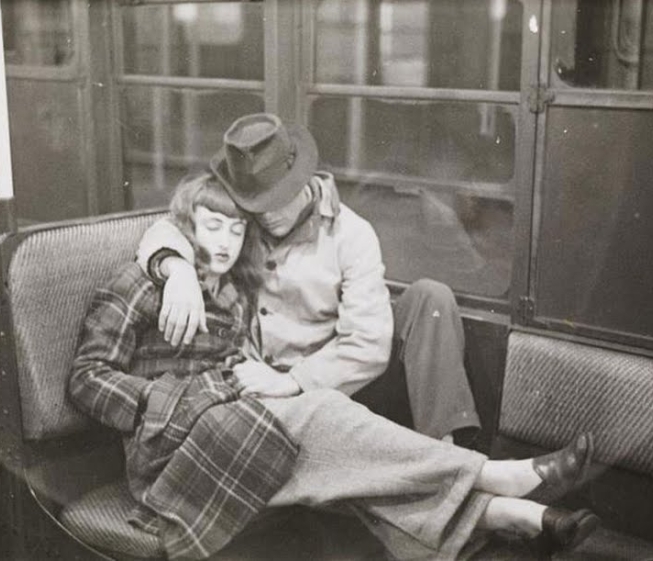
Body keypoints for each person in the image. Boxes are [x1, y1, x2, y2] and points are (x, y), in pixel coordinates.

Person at [68, 173, 600, 560]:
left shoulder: (232, 293)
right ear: (187, 229)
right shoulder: (141, 283)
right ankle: (491, 477)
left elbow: (332, 350)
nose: (227, 242)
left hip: (230, 424)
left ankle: (514, 516)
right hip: (165, 458)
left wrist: (248, 387)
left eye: (237, 230)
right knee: (318, 413)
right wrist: (163, 390)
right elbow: (86, 379)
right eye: (213, 227)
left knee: (340, 471)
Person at [136, 112, 478, 443]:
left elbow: (368, 345)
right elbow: (167, 226)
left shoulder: (352, 233)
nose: (267, 216)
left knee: (431, 297)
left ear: (302, 180)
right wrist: (176, 269)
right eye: (257, 204)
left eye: (277, 200)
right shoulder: (241, 216)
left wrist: (294, 381)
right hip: (260, 390)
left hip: (340, 383)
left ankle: (447, 449)